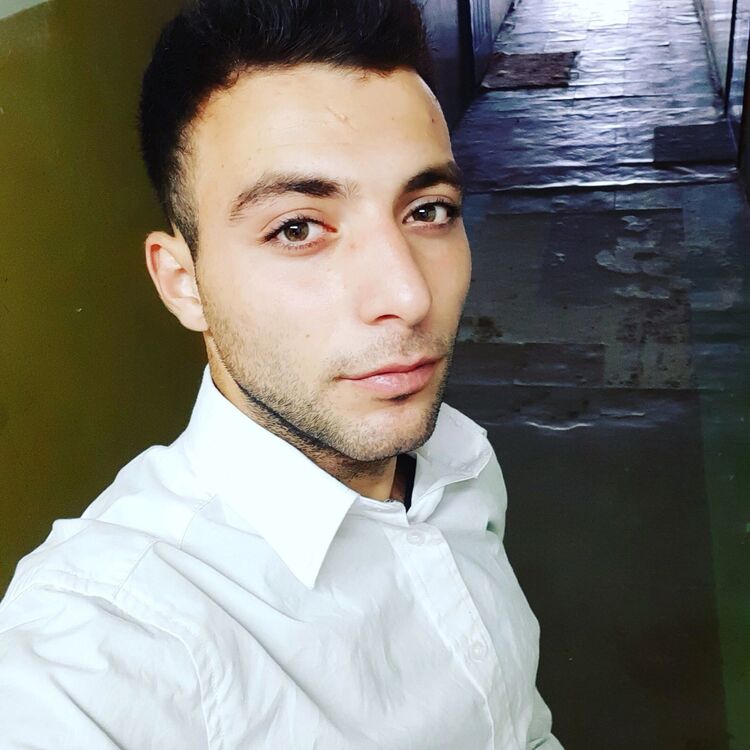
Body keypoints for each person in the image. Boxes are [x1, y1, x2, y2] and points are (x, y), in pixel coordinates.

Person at [0, 1, 562, 747]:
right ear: (183, 284)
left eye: (428, 210)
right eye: (297, 228)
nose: (408, 295)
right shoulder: (103, 642)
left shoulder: (459, 462)